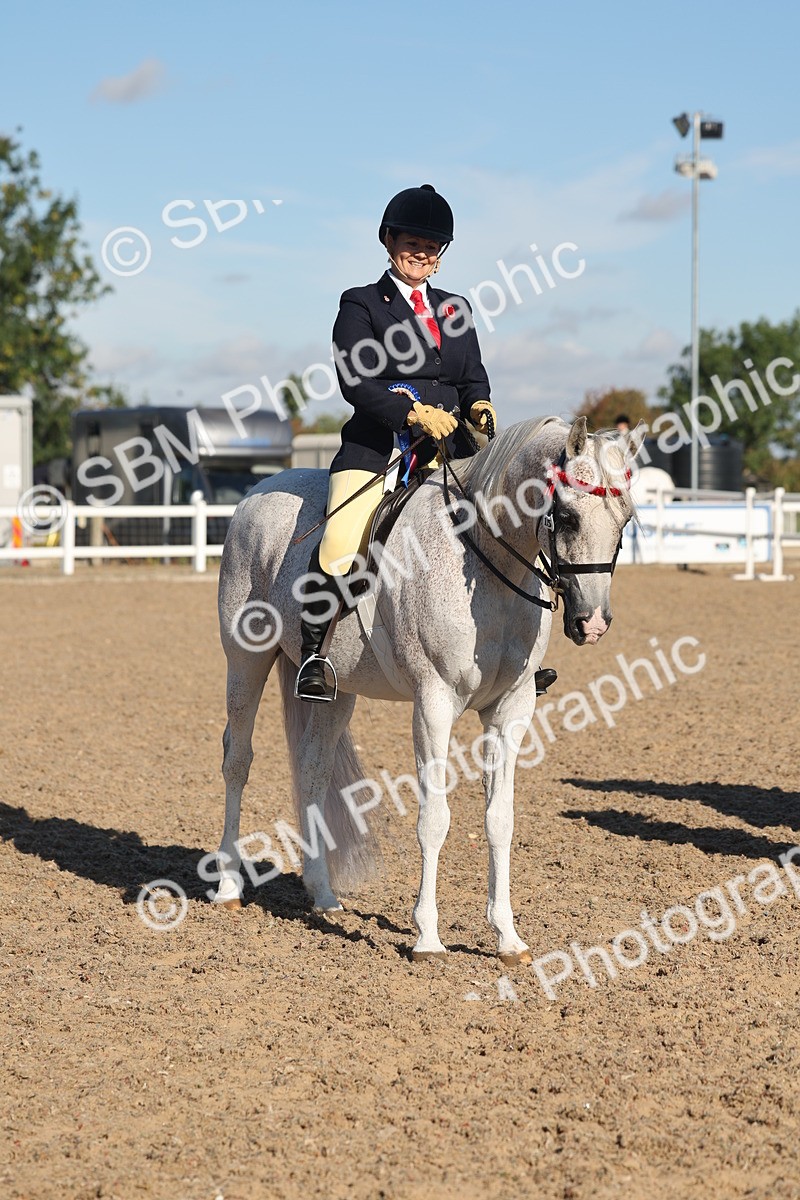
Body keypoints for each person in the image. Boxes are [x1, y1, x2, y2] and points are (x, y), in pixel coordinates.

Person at [295, 183, 556, 703]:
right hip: (379, 445)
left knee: (513, 525)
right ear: (389, 241)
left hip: (453, 449)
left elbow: (472, 376)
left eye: (432, 246)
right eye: (412, 241)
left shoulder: (455, 308)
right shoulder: (362, 304)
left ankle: (519, 657)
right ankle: (314, 655)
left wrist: (479, 405)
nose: (421, 252)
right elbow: (355, 381)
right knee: (342, 539)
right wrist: (411, 411)